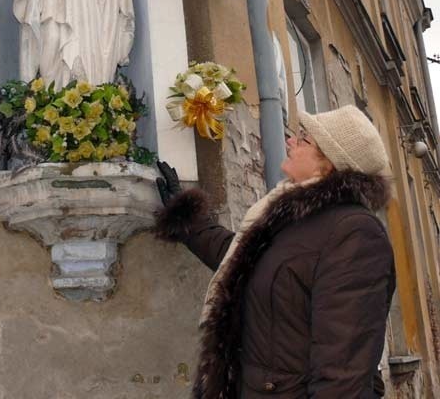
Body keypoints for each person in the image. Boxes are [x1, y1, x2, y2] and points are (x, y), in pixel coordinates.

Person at [155, 105, 395, 398]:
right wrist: (188, 220)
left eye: (304, 139)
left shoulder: (354, 233)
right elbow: (243, 262)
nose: (290, 141)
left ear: (329, 163)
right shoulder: (293, 216)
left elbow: (343, 371)